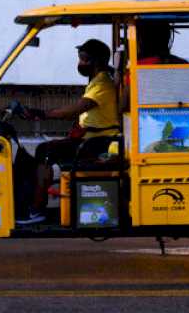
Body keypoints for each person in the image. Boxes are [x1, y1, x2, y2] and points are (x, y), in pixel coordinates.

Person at [17, 39, 120, 225]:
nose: (80, 63)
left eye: (84, 59)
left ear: (96, 62)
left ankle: (37, 210)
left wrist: (39, 113)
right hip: (90, 139)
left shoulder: (102, 85)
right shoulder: (97, 81)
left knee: (44, 151)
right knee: (45, 150)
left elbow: (71, 111)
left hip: (97, 143)